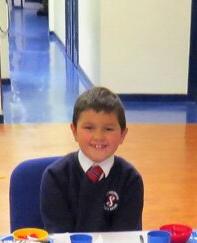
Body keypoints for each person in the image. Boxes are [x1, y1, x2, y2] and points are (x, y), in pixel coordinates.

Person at [40, 86, 144, 233]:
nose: (98, 137)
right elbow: (60, 238)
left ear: (122, 135)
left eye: (108, 129)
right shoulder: (55, 177)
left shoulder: (130, 180)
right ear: (74, 131)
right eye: (89, 128)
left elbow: (125, 238)